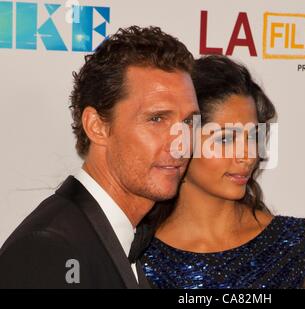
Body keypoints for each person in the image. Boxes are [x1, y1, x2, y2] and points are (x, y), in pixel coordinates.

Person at [0, 26, 199, 288]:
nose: (181, 143)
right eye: (157, 119)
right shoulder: (49, 249)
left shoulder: (120, 237)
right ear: (97, 126)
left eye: (188, 122)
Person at [140, 55, 305, 289]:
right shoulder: (138, 255)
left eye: (253, 136)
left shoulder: (298, 244)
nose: (248, 155)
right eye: (225, 138)